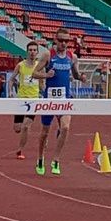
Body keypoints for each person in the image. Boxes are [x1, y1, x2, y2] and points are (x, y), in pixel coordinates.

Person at [32, 27, 84, 176]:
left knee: (66, 128)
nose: (63, 43)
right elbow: (34, 73)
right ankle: (40, 158)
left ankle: (56, 160)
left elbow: (75, 74)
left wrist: (81, 77)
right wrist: (46, 75)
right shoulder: (48, 55)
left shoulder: (71, 57)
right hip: (49, 100)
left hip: (64, 99)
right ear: (55, 40)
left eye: (66, 41)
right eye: (61, 40)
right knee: (44, 133)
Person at [12, 42, 43, 158]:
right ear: (27, 51)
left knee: (26, 126)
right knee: (17, 129)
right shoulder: (20, 65)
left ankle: (20, 150)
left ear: (37, 52)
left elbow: (42, 82)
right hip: (21, 100)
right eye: (30, 50)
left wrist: (43, 90)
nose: (32, 52)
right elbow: (11, 79)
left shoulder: (40, 66)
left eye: (34, 50)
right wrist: (10, 91)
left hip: (33, 101)